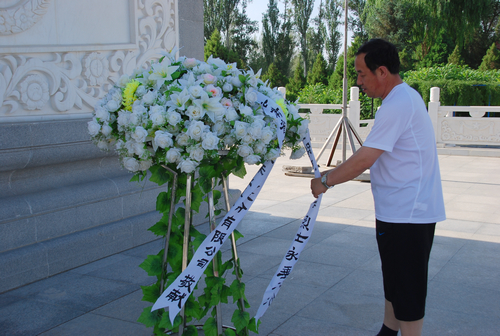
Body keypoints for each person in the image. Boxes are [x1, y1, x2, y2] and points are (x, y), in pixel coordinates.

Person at [310, 39, 446, 336]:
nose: (359, 82)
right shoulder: (403, 99)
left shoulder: (398, 104)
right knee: (395, 279)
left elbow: (365, 157)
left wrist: (324, 181)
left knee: (408, 289)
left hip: (408, 215)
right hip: (399, 212)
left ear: (382, 71)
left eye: (361, 74)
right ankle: (387, 330)